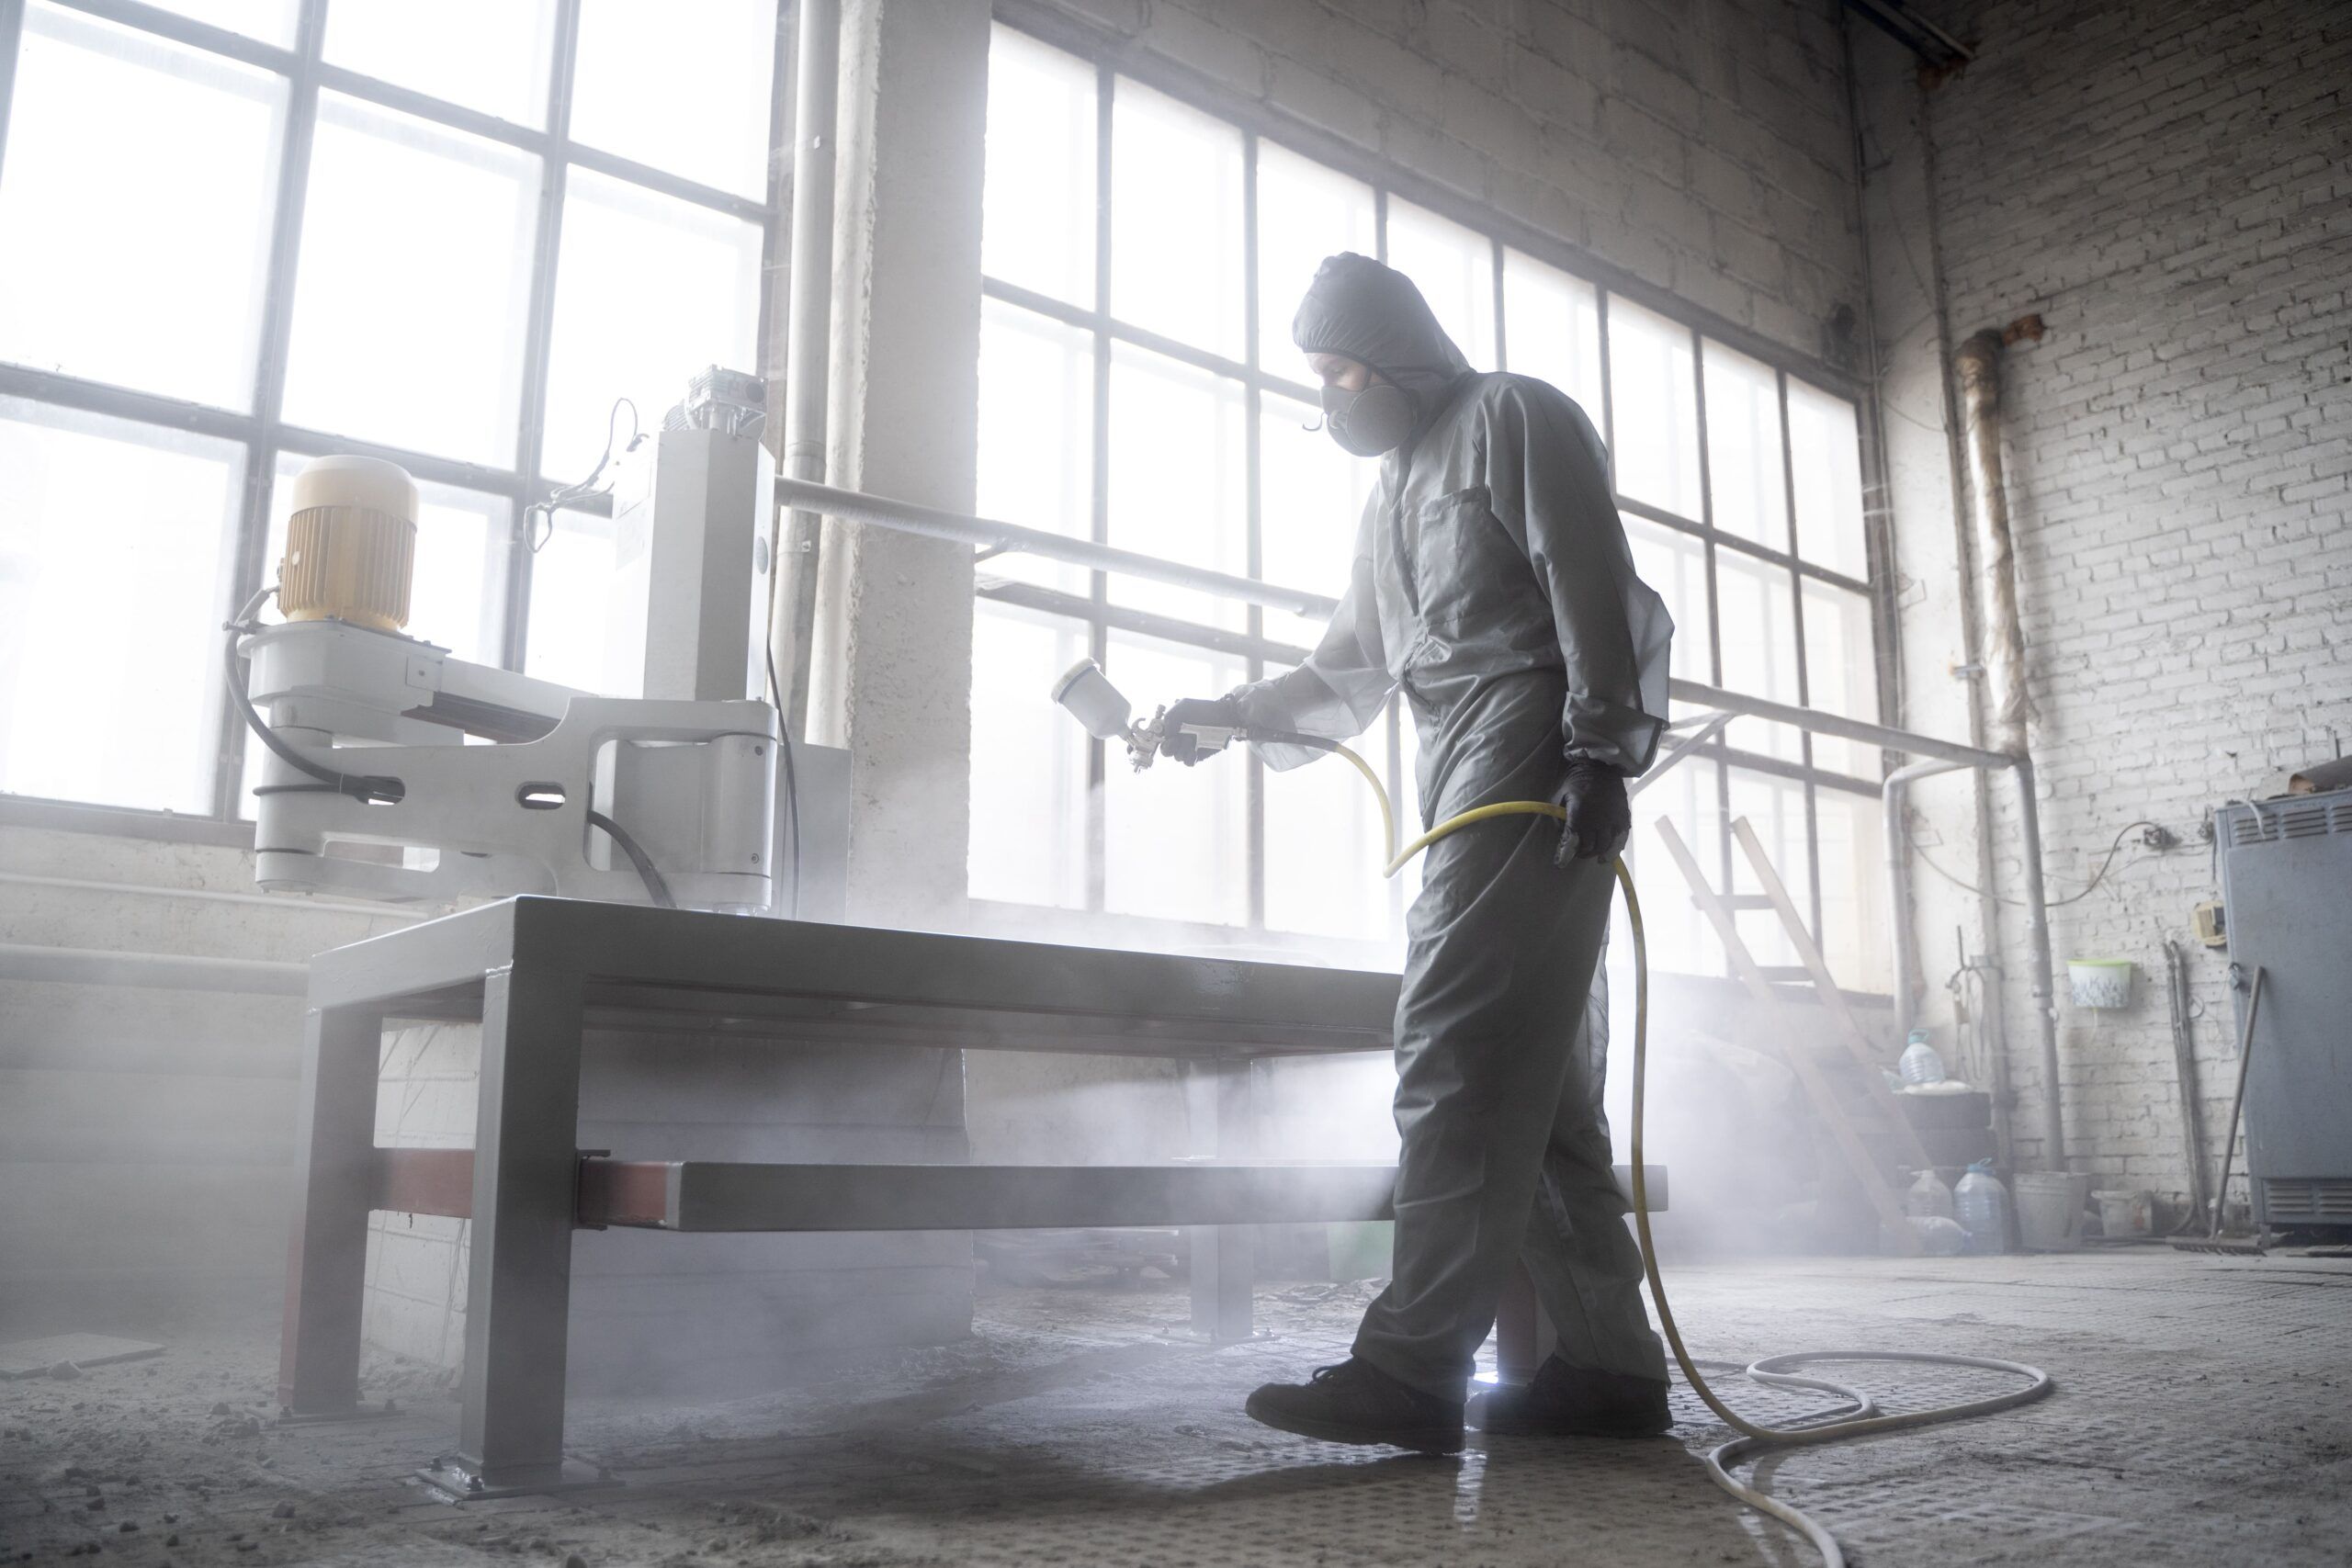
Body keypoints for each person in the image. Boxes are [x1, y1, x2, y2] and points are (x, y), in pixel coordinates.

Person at [1159, 253, 1676, 1455]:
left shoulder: (1512, 416)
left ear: (1400, 355)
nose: (1333, 396)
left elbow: (1587, 574)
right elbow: (1347, 666)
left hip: (1532, 739)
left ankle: (1413, 1366)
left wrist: (1601, 750)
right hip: (1458, 759)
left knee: (1453, 1045)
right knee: (1543, 1091)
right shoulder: (1391, 496)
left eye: (1345, 371)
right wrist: (1226, 715)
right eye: (1319, 378)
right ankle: (1611, 1368)